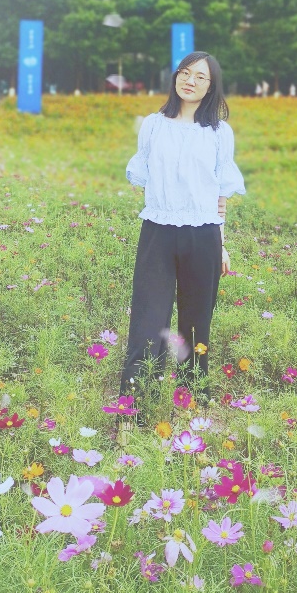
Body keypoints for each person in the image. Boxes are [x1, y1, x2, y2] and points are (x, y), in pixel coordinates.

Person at [118, 51, 245, 422]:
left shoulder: (219, 133)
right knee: (147, 323)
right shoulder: (153, 125)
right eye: (185, 73)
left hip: (203, 235)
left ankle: (192, 406)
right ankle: (132, 412)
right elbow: (147, 178)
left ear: (211, 87)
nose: (190, 81)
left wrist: (221, 244)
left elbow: (219, 194)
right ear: (175, 77)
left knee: (195, 324)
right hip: (158, 232)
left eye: (200, 77)